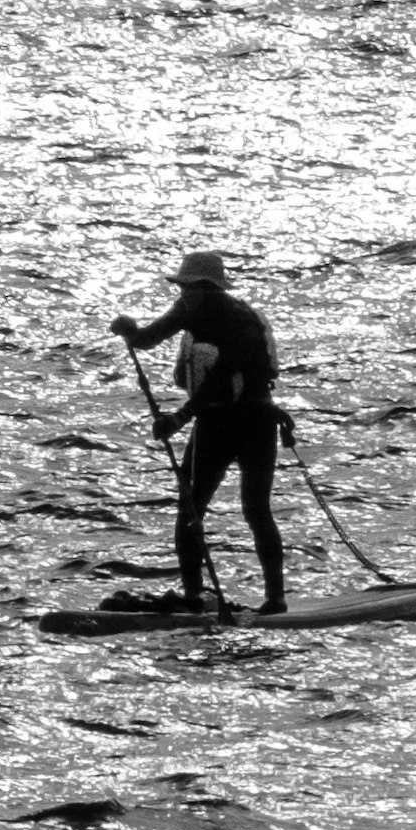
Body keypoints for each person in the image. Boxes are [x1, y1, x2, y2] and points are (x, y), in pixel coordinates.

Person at [114, 245, 286, 615]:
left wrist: (180, 418)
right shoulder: (186, 309)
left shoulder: (238, 321)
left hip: (253, 421)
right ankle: (193, 596)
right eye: (183, 287)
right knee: (190, 508)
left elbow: (221, 378)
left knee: (256, 510)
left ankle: (275, 600)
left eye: (194, 288)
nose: (185, 294)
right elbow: (149, 337)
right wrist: (132, 332)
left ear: (213, 289)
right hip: (213, 422)